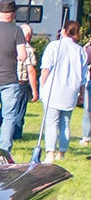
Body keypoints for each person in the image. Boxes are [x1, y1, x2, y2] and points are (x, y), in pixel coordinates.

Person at [0, 0, 32, 150]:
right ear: (13, 14)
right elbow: (22, 55)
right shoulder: (16, 30)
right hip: (9, 78)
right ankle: (4, 148)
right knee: (9, 116)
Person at [37, 21, 86, 162]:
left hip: (54, 88)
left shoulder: (54, 46)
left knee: (52, 122)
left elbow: (46, 68)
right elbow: (82, 76)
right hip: (71, 90)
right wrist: (81, 94)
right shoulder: (80, 50)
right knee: (65, 122)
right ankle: (62, 152)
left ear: (64, 31)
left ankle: (50, 152)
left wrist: (42, 86)